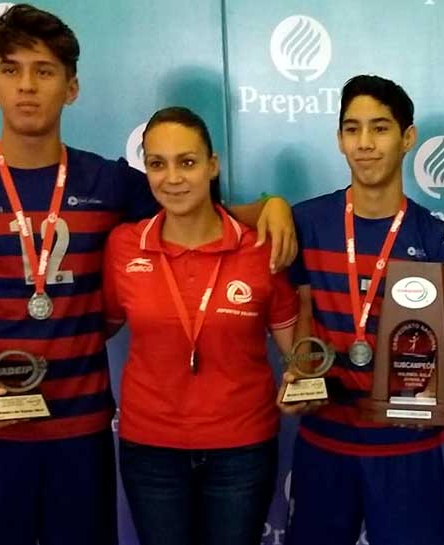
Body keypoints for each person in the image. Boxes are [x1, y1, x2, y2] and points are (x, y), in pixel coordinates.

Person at [0, 5, 295, 545]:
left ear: (71, 88)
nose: (27, 86)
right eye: (11, 70)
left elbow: (198, 209)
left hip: (79, 429)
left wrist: (272, 205)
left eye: (44, 71)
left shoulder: (109, 182)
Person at [278, 74, 444, 545]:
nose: (365, 143)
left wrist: (435, 396)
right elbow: (302, 313)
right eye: (353, 129)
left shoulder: (436, 238)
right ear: (340, 139)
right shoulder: (305, 223)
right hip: (325, 443)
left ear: (408, 137)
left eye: (380, 128)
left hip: (407, 447)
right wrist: (299, 375)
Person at [102, 106, 298, 545]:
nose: (172, 178)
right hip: (151, 450)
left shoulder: (259, 248)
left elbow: (298, 353)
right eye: (158, 164)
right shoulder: (123, 246)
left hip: (241, 449)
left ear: (212, 165)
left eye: (187, 162)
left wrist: (303, 379)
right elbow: (97, 328)